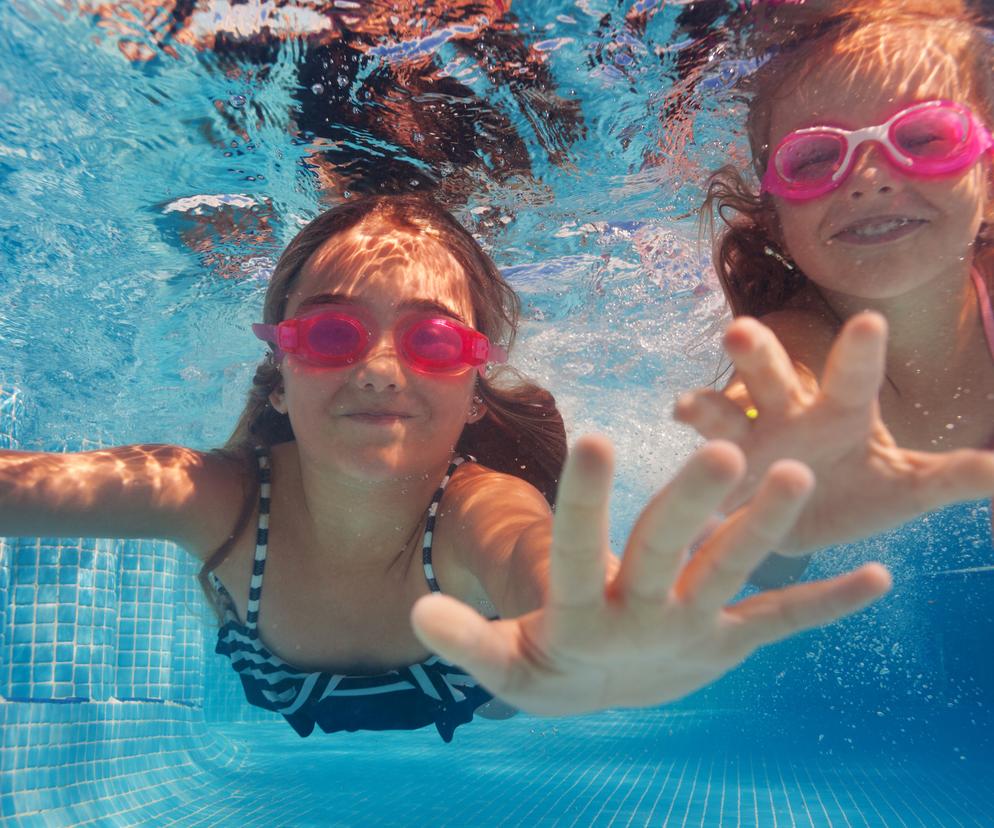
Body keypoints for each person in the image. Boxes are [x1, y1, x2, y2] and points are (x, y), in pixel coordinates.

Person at [0, 194, 890, 741]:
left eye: (430, 339)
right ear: (280, 376)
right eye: (333, 331)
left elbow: (537, 566)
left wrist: (597, 624)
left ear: (473, 390)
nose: (380, 367)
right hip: (280, 682)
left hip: (468, 691)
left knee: (520, 685)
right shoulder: (220, 499)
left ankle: (795, 517)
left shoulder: (479, 506)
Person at [677, 0, 994, 584]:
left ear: (988, 175)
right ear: (775, 218)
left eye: (925, 137)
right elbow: (773, 389)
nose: (870, 180)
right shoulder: (800, 339)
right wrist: (758, 479)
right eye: (816, 157)